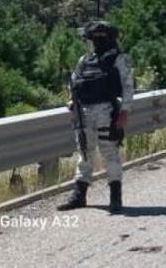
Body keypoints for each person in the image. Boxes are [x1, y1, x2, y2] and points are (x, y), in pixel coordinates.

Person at [58, 21, 134, 213]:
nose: (97, 41)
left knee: (110, 153)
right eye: (95, 38)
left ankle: (115, 198)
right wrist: (72, 101)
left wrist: (124, 111)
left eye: (101, 38)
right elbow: (74, 82)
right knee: (85, 153)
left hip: (107, 111)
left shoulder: (118, 58)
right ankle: (79, 195)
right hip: (84, 113)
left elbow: (127, 86)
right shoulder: (85, 60)